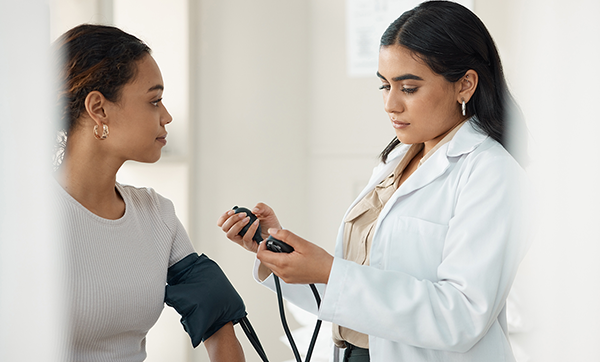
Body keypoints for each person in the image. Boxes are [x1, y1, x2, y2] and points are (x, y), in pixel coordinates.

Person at [217, 1, 531, 361]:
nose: (390, 104)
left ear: (465, 84)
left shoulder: (492, 173)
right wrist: (279, 249)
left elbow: (460, 316)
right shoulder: (396, 161)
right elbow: (358, 287)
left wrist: (329, 270)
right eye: (384, 86)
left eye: (408, 88)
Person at [53, 24, 246, 362]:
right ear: (99, 109)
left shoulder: (156, 214)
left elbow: (217, 316)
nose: (167, 116)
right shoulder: (24, 215)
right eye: (154, 101)